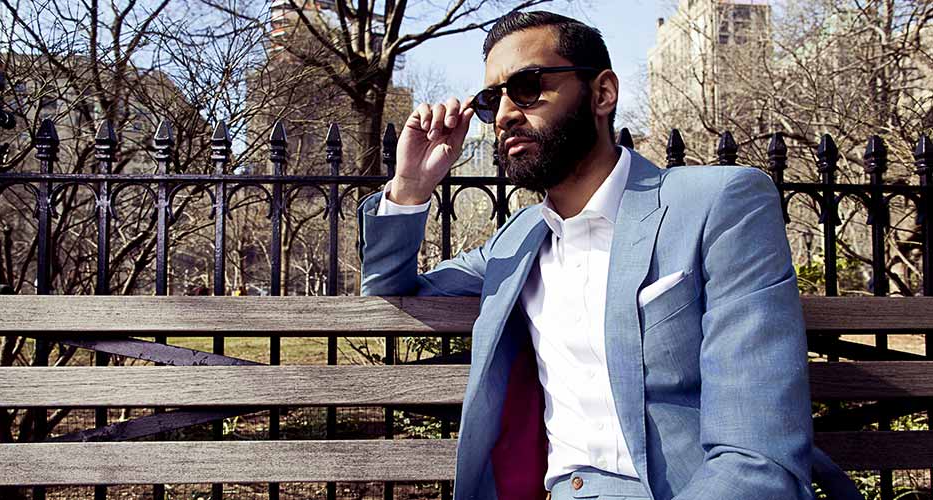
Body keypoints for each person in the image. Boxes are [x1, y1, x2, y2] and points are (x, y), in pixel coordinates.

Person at [357, 10, 858, 500]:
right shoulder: (518, 242)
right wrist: (409, 187)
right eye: (492, 100)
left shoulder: (719, 203)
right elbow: (388, 292)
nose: (506, 113)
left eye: (528, 86)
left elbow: (757, 459)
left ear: (602, 93)